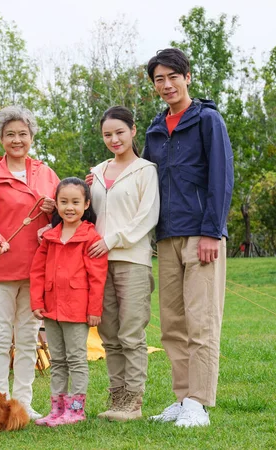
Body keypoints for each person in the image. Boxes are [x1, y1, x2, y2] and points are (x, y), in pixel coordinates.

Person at [144, 48, 234, 427]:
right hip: (166, 236)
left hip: (201, 235)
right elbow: (142, 178)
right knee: (172, 325)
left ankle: (198, 401)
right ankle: (182, 399)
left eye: (172, 77)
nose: (166, 85)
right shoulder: (153, 129)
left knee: (201, 321)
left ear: (188, 77)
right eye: (159, 80)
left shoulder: (208, 120)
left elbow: (221, 177)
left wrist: (212, 231)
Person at [0, 105, 59, 420]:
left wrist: (52, 210)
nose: (17, 139)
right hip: (1, 269)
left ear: (31, 136)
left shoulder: (47, 173)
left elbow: (66, 215)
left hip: (37, 269)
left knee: (27, 337)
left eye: (22, 133)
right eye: (10, 134)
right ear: (1, 138)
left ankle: (22, 403)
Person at [88, 106, 160, 421]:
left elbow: (148, 216)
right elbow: (87, 212)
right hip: (98, 262)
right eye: (107, 134)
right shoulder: (97, 172)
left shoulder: (146, 170)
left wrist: (113, 239)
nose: (114, 139)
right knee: (109, 334)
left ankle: (134, 403)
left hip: (132, 259)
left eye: (119, 132)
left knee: (131, 332)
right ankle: (117, 400)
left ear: (133, 130)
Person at [30, 177, 108, 427]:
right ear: (57, 205)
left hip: (77, 310)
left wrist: (94, 310)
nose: (69, 207)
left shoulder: (91, 238)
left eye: (75, 202)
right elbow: (37, 272)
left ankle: (76, 410)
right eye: (63, 202)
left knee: (76, 360)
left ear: (86, 204)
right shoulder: (50, 237)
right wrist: (37, 302)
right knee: (58, 360)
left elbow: (97, 278)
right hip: (51, 309)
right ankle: (57, 409)